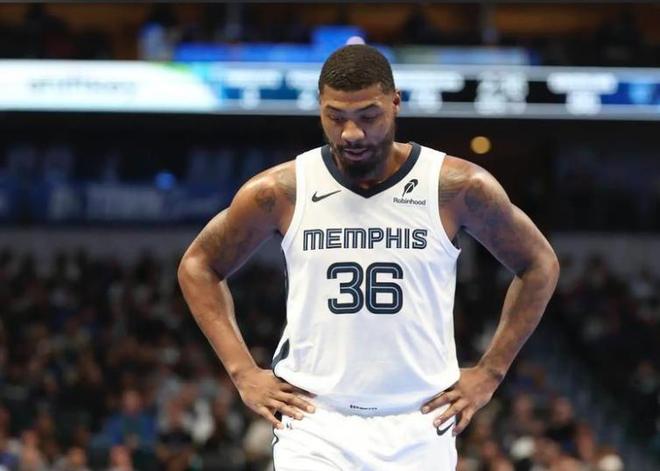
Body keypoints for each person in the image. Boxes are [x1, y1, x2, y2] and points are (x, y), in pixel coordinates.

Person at [178, 44, 559, 470]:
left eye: (368, 116)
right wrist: (243, 372)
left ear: (395, 103)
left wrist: (491, 372)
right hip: (315, 420)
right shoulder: (282, 190)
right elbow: (198, 265)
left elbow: (539, 264)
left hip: (421, 418)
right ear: (319, 108)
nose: (351, 133)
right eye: (336, 117)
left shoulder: (455, 186)